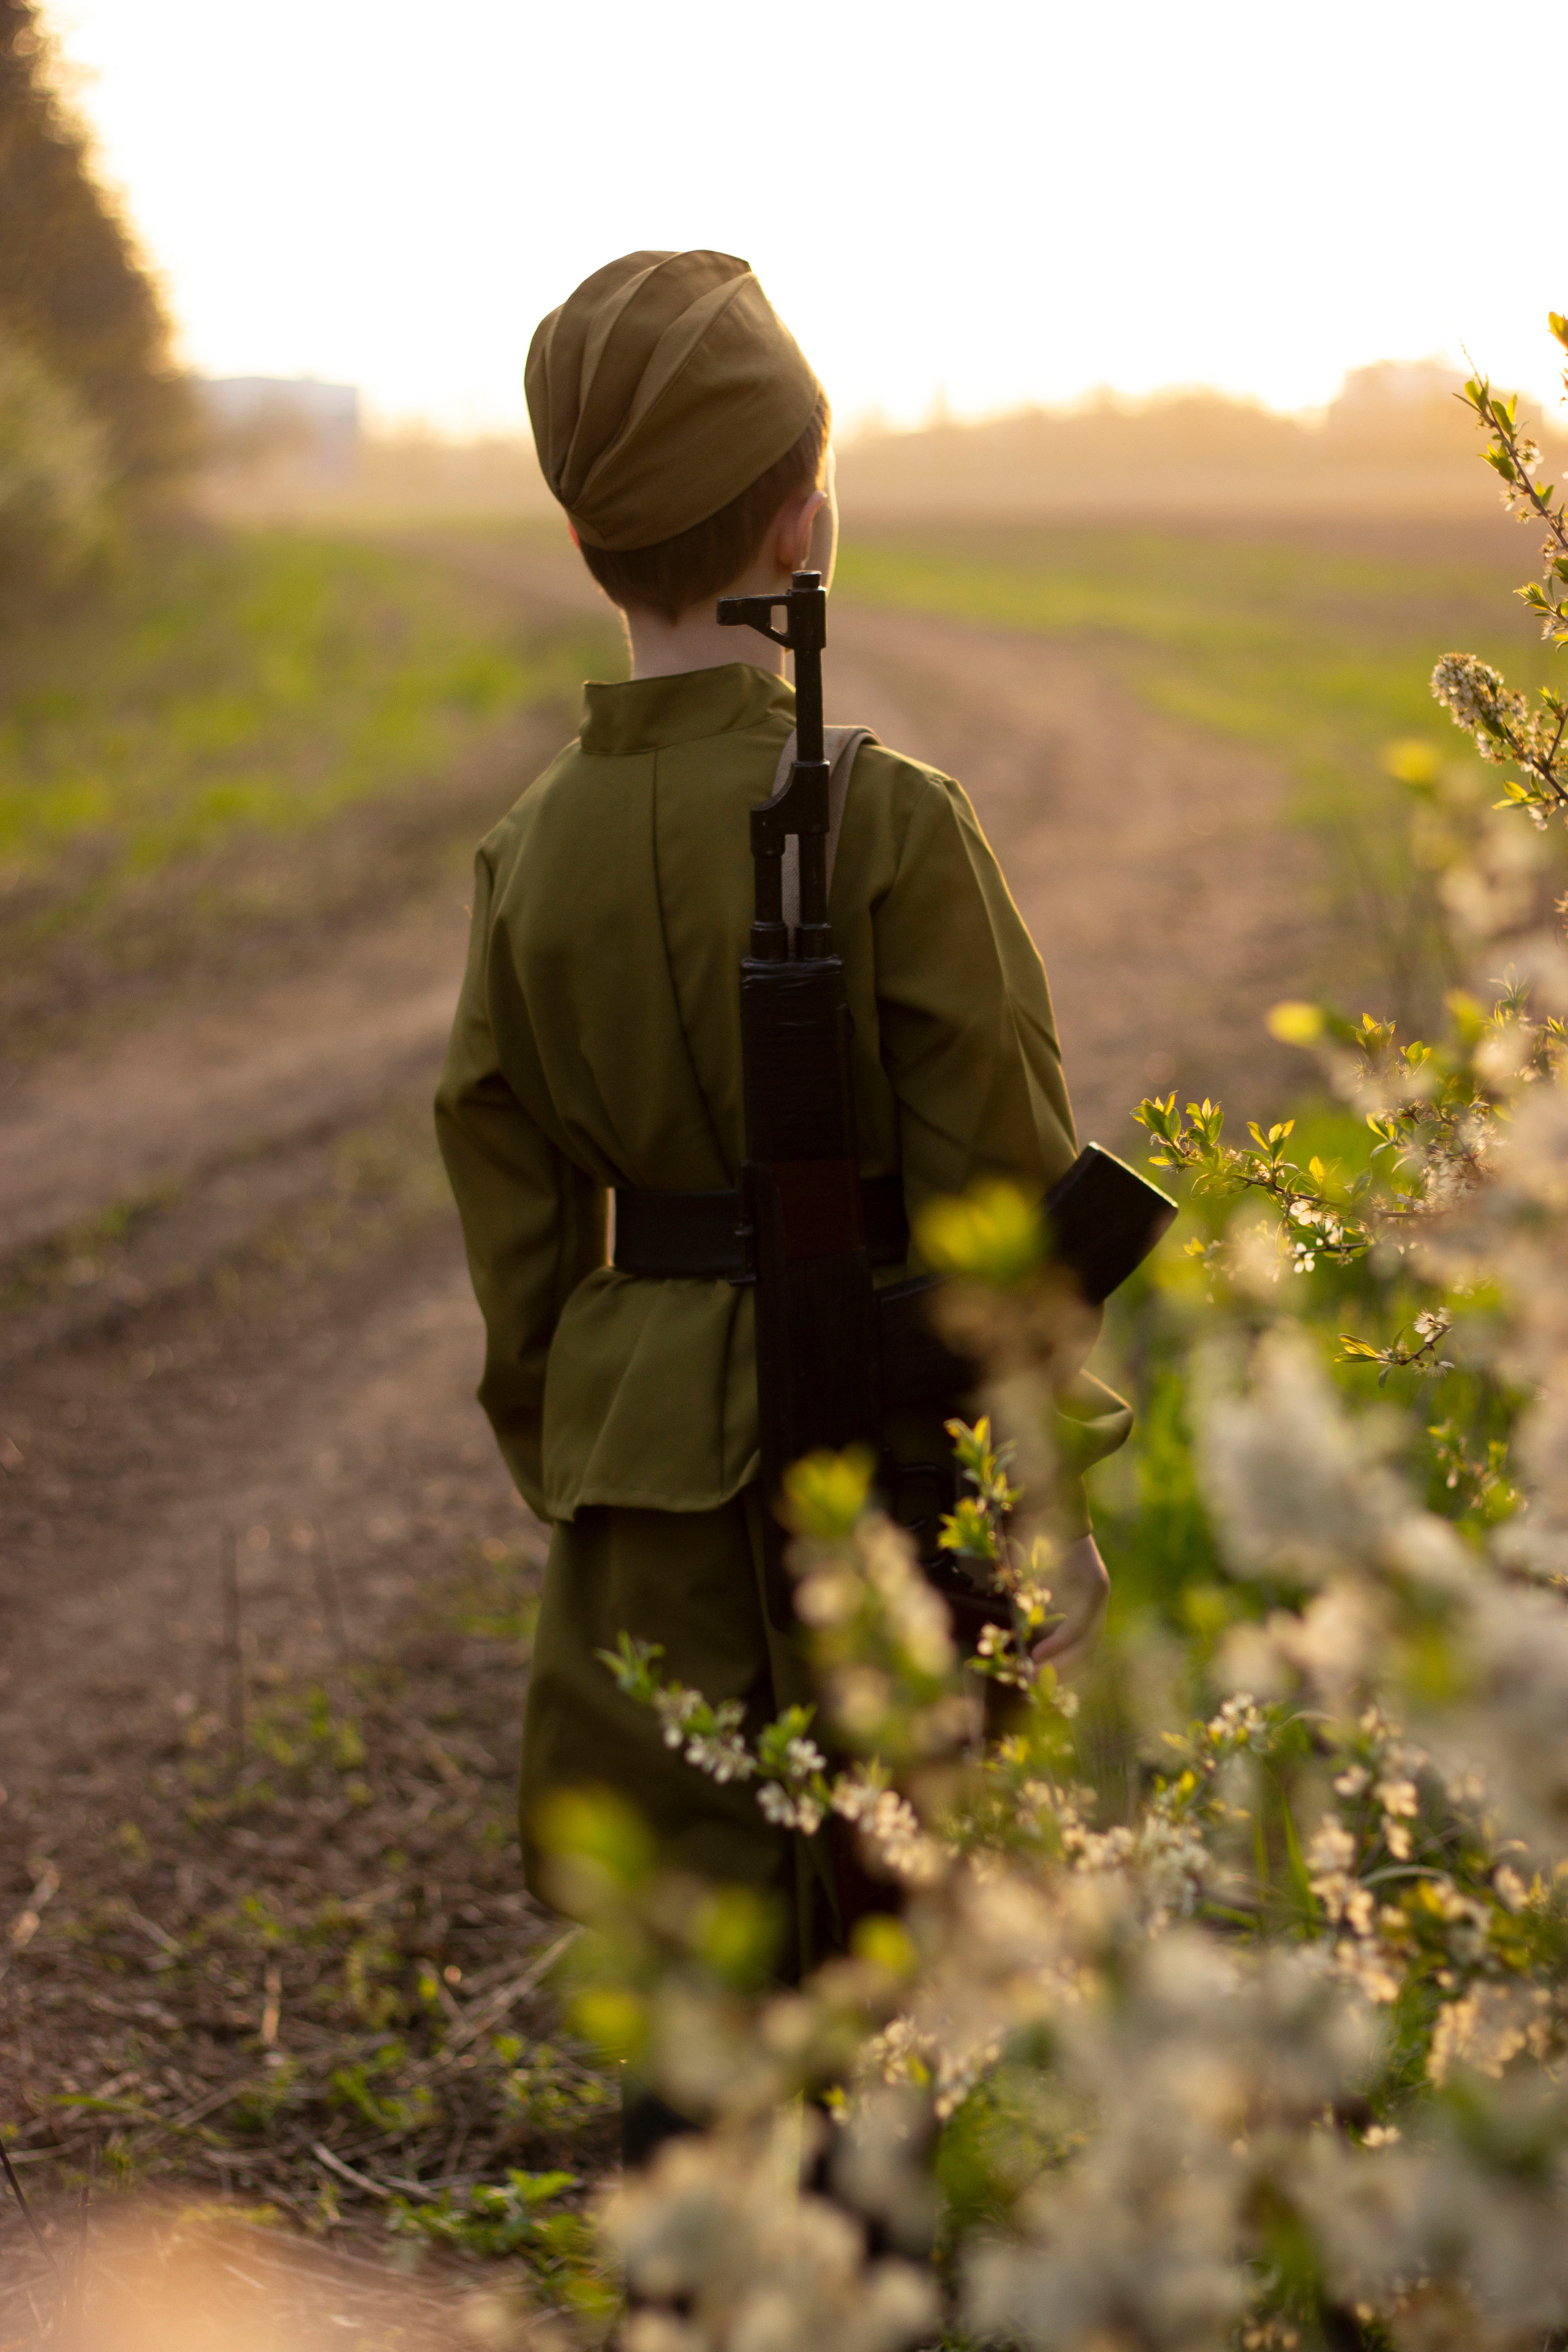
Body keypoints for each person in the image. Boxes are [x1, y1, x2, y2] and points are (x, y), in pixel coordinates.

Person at [435, 250, 1131, 1977]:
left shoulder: (528, 855)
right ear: (801, 524)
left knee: (691, 1998)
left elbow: (510, 1215)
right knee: (896, 1984)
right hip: (891, 1509)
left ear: (589, 543)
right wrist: (1041, 1512)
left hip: (645, 1516)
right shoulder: (888, 823)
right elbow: (1008, 1216)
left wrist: (592, 1451)